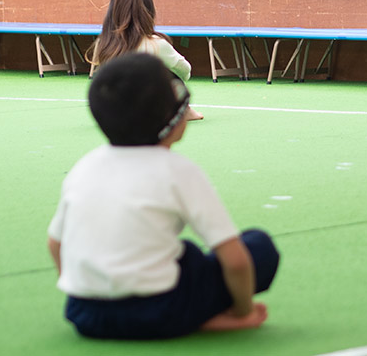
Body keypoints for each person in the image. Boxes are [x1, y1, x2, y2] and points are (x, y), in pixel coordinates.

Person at [47, 53, 280, 339]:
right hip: (160, 312)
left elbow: (55, 243)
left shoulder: (84, 166)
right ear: (173, 117)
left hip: (85, 315)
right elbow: (236, 261)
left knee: (183, 254)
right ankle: (206, 318)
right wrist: (243, 313)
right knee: (258, 246)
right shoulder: (179, 172)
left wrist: (83, 290)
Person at [89, 0, 204, 120]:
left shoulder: (105, 43)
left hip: (114, 109)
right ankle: (183, 110)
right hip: (148, 108)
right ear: (149, 12)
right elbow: (186, 71)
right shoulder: (156, 44)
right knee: (168, 72)